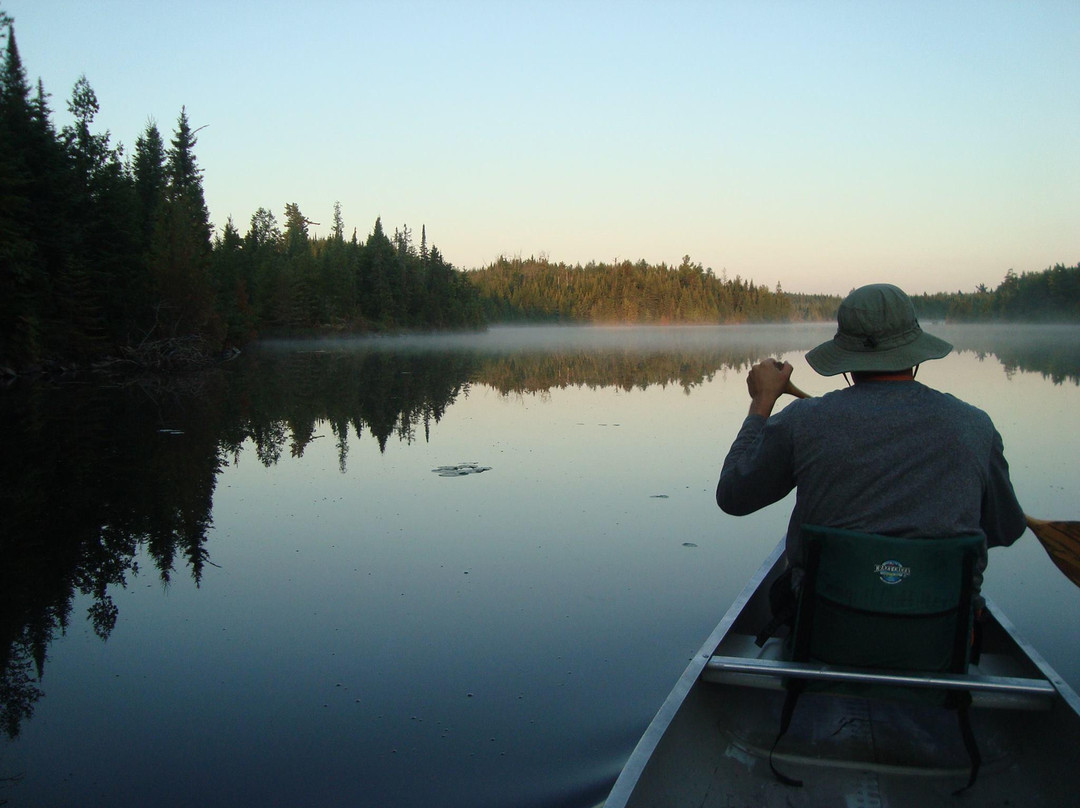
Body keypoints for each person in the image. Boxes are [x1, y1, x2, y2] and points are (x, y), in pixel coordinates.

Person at [716, 283, 1026, 598]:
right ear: (914, 355)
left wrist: (762, 402)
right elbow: (1006, 529)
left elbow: (733, 496)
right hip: (941, 636)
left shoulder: (804, 421)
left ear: (845, 360)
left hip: (825, 635)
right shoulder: (975, 427)